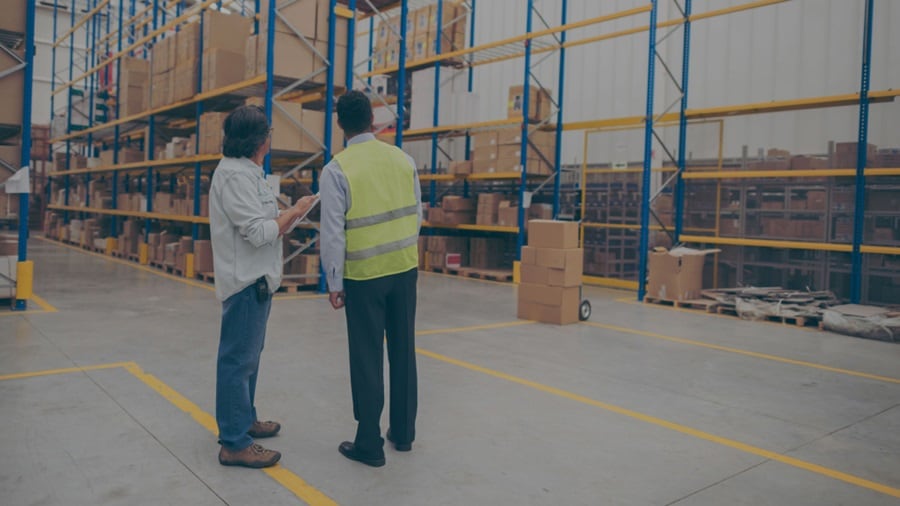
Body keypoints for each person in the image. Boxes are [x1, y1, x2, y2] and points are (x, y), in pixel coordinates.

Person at [209, 105, 317, 468]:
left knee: (249, 359)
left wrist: (289, 215)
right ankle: (234, 442)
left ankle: (245, 420)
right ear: (260, 139)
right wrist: (296, 210)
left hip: (259, 280)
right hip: (245, 282)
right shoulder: (235, 177)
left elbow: (267, 221)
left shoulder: (250, 173)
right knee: (237, 361)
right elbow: (258, 232)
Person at [320, 91, 422, 467]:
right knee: (403, 351)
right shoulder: (402, 159)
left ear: (340, 124)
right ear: (373, 120)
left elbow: (333, 233)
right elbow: (417, 213)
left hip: (363, 276)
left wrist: (334, 282)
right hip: (404, 268)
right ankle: (405, 433)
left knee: (367, 357)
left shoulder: (336, 169)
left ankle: (369, 444)